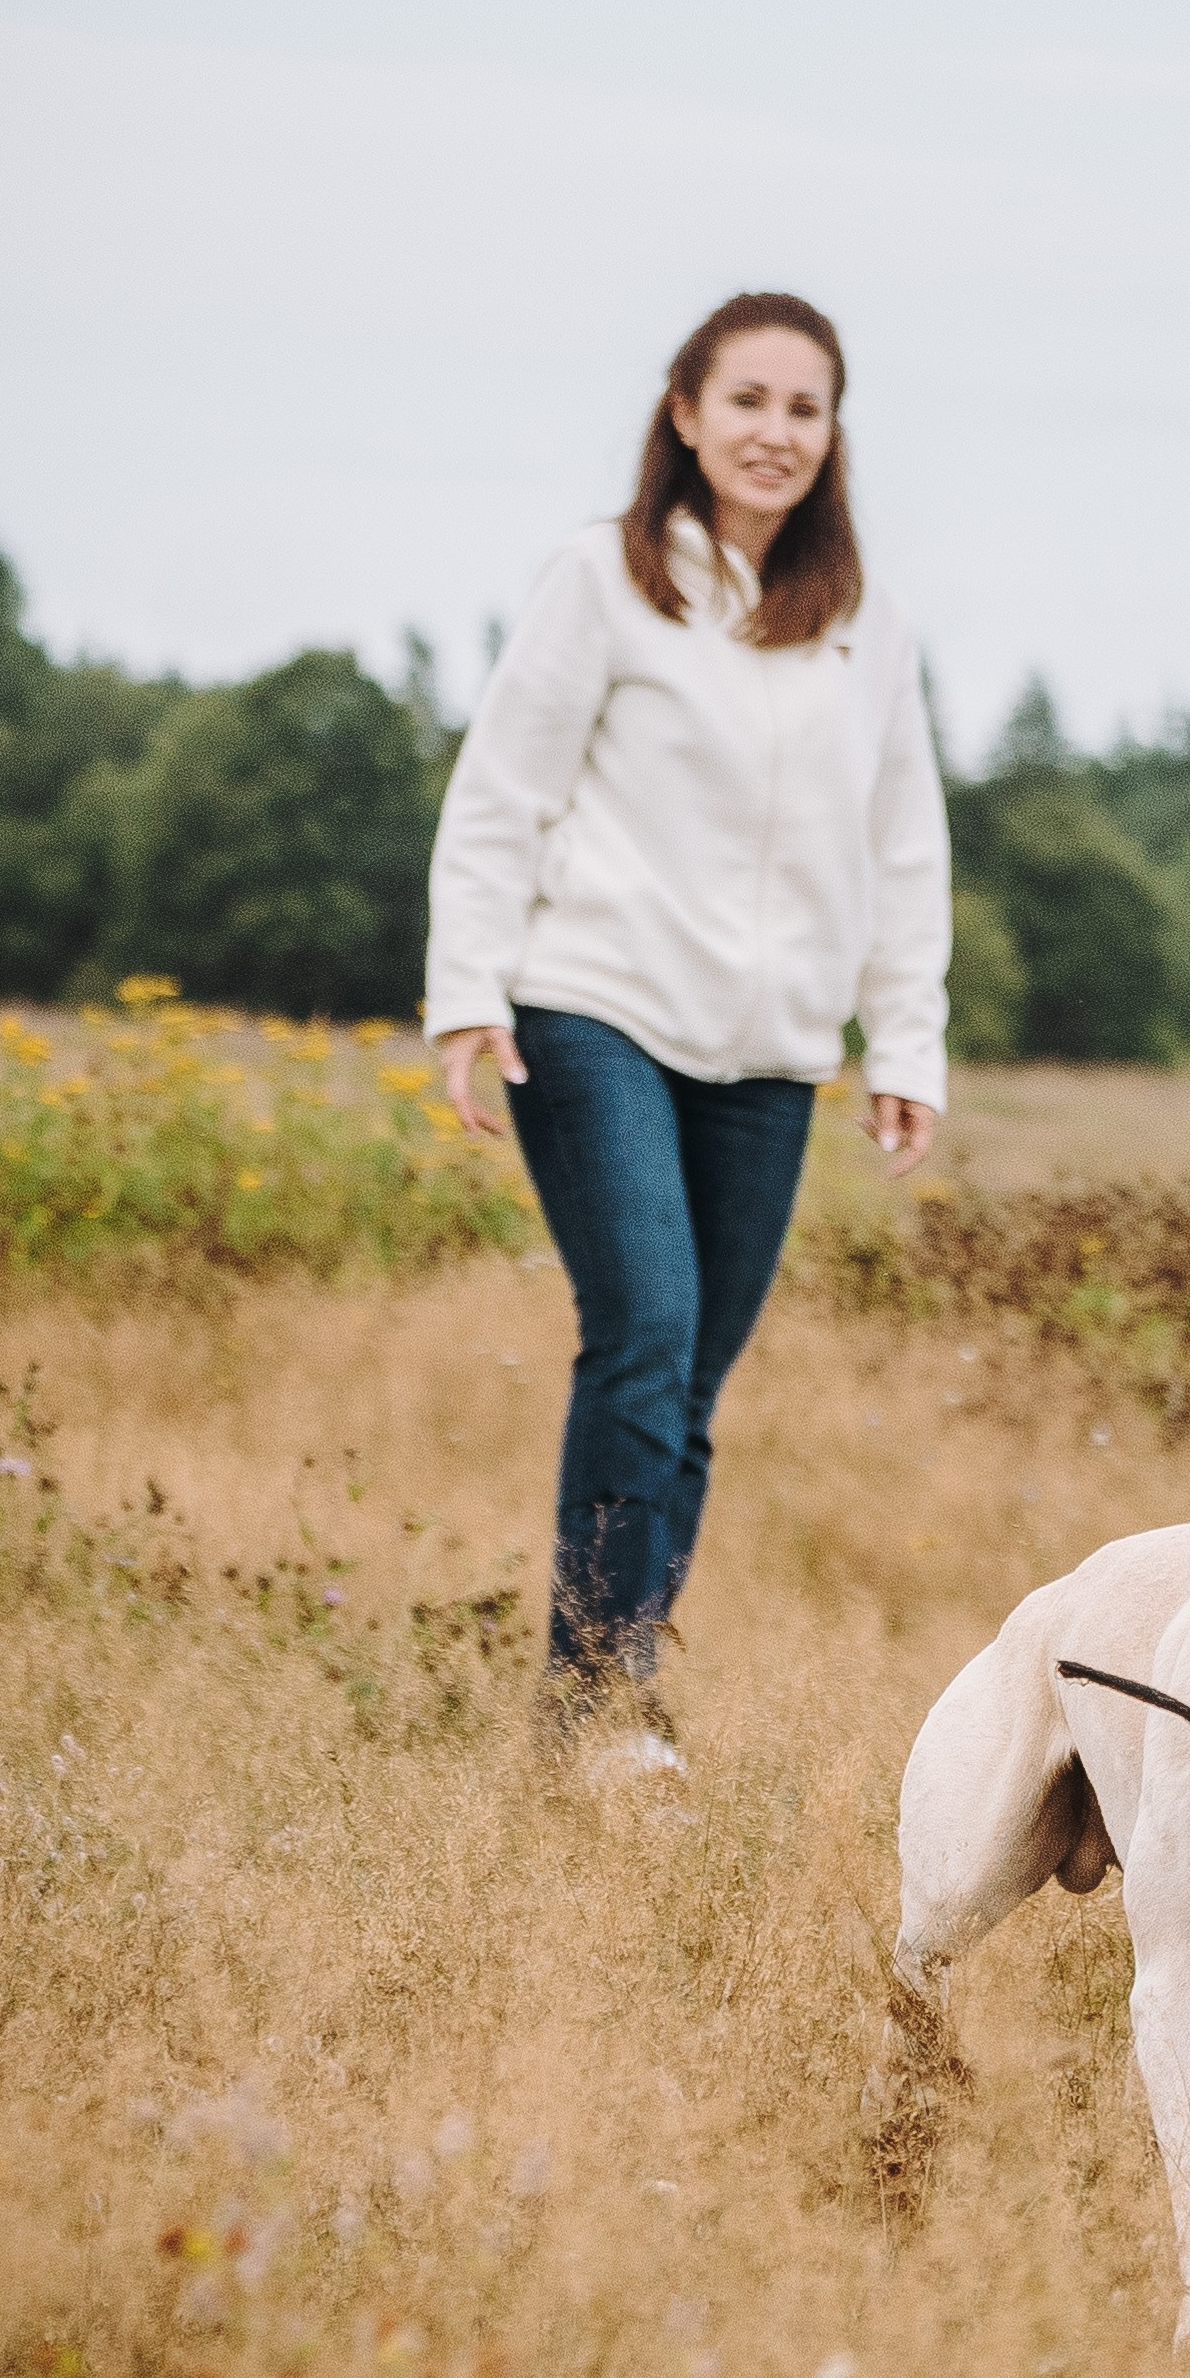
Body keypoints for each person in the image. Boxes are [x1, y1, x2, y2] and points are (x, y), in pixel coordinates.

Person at [427, 293, 951, 1769]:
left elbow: (904, 843)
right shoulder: (603, 581)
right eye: (749, 401)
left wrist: (905, 1044)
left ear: (832, 432)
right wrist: (467, 986)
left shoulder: (867, 622)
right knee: (645, 1334)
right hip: (597, 1003)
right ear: (684, 411)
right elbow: (502, 788)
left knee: (694, 1381)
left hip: (773, 1048)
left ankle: (618, 1682)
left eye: (805, 408)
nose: (775, 432)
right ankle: (593, 1704)